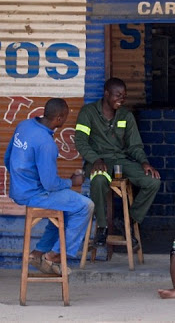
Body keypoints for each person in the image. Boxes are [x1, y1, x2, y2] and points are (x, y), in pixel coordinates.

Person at [5, 98, 94, 275]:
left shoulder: (24, 125)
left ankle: (37, 253)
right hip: (34, 194)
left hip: (18, 190)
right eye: (66, 117)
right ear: (59, 118)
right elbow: (50, 184)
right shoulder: (46, 143)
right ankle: (55, 255)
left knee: (66, 208)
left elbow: (8, 159)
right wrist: (71, 182)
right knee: (85, 206)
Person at [74, 77, 161, 246]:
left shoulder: (126, 116)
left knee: (152, 181)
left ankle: (129, 221)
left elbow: (134, 145)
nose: (121, 99)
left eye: (124, 96)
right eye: (117, 95)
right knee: (99, 179)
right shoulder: (88, 113)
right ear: (106, 94)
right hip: (99, 161)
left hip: (121, 161)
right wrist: (95, 159)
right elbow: (81, 142)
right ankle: (102, 227)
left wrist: (144, 162)